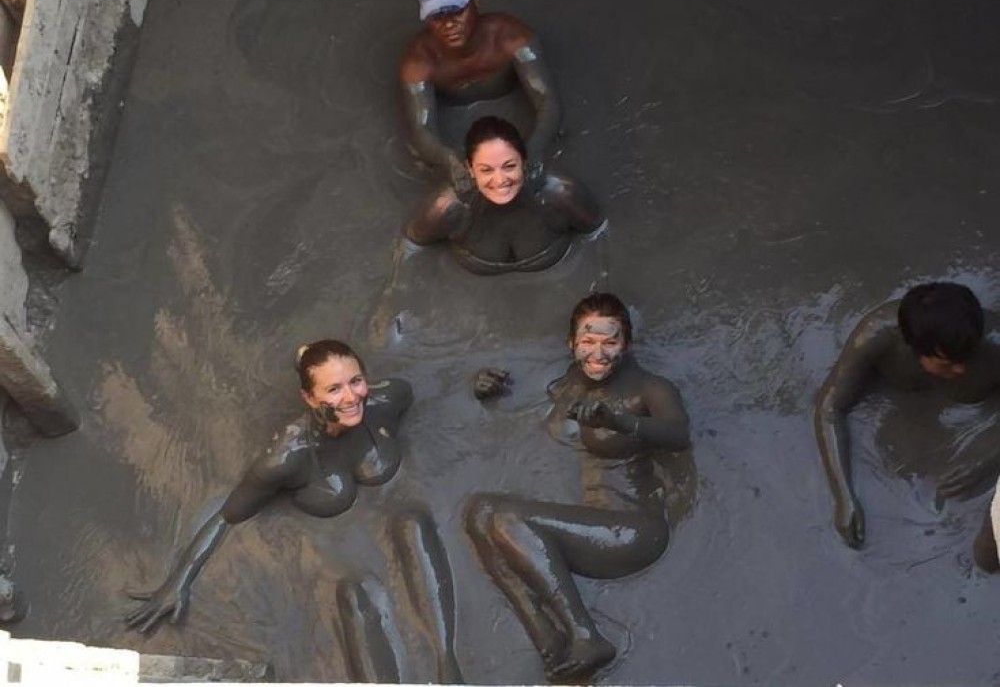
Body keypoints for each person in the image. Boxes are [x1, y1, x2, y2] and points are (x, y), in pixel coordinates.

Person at [125, 340, 463, 683]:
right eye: (333, 389)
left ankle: (447, 661)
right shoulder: (286, 457)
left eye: (356, 381)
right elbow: (227, 517)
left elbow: (445, 386)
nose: (351, 397)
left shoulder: (388, 400)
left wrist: (482, 386)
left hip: (393, 527)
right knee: (358, 599)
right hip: (339, 558)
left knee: (413, 527)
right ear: (309, 398)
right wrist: (178, 581)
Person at [466, 293, 691, 682]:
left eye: (610, 342)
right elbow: (523, 392)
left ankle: (586, 636)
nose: (598, 354)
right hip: (591, 525)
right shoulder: (570, 382)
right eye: (588, 341)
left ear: (626, 344)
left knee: (507, 518)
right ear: (571, 343)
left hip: (632, 530)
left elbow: (678, 434)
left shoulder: (648, 388)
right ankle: (548, 639)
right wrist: (488, 387)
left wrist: (621, 422)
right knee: (480, 512)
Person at [814, 282, 1000, 571]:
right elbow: (830, 409)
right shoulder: (876, 336)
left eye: (966, 356)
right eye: (947, 363)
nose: (961, 369)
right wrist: (843, 497)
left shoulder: (994, 346)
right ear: (914, 349)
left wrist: (988, 458)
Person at [399, 0, 559, 184]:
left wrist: (533, 148)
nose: (449, 25)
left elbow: (547, 100)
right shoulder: (419, 63)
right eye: (437, 17)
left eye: (457, 11)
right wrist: (449, 160)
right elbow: (422, 130)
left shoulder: (512, 37)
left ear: (476, 2)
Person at [405, 115, 603, 275]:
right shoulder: (448, 207)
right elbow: (411, 250)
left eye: (509, 166)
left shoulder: (560, 194)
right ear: (470, 170)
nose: (500, 180)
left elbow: (600, 238)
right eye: (486, 170)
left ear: (524, 163)